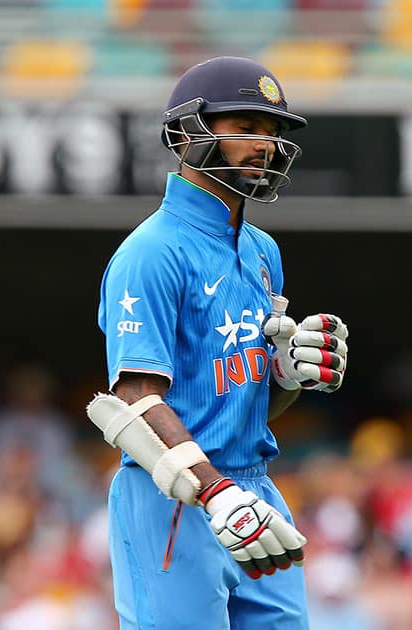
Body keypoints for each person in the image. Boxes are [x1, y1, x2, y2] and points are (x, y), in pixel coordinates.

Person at [86, 56, 350, 629]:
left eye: (272, 132)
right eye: (246, 127)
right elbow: (135, 399)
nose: (265, 145)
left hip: (252, 489)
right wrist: (214, 492)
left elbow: (252, 404)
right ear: (187, 132)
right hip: (176, 497)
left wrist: (286, 376)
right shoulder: (150, 252)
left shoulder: (262, 252)